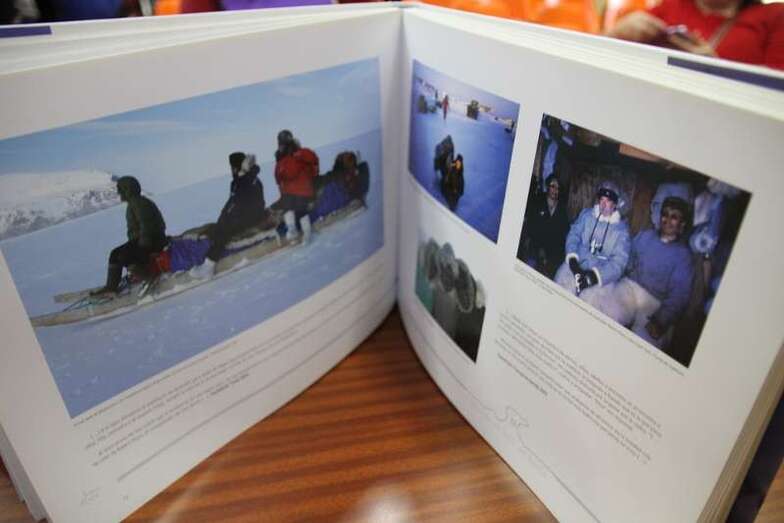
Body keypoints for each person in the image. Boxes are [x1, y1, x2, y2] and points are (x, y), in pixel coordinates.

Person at [601, 196, 695, 348]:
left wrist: (662, 320)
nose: (667, 220)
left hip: (656, 304)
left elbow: (680, 295)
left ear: (682, 224)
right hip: (631, 287)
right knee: (609, 312)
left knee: (644, 342)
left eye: (674, 217)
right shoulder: (646, 236)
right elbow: (627, 259)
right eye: (665, 214)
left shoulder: (683, 256)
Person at [605, 0, 784, 70]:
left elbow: (775, 93)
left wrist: (716, 68)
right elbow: (606, 58)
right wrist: (615, 34)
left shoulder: (775, 16)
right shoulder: (671, 6)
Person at [190, 152, 266, 279]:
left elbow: (241, 203)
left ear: (238, 167)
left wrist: (228, 219)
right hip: (245, 214)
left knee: (224, 230)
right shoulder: (240, 180)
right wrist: (224, 216)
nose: (232, 170)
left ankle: (208, 266)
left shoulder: (247, 180)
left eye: (233, 167)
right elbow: (232, 202)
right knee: (217, 226)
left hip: (252, 216)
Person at [554, 180, 631, 300]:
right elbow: (574, 235)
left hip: (600, 276)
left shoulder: (621, 231)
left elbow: (619, 263)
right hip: (577, 265)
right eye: (601, 200)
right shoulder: (587, 215)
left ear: (615, 204)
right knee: (562, 290)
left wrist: (593, 277)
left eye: (608, 201)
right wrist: (573, 262)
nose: (603, 205)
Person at [92, 176, 167, 295]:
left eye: (121, 190)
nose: (119, 193)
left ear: (128, 189)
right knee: (115, 254)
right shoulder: (134, 202)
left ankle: (149, 278)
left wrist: (143, 243)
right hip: (144, 239)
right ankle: (111, 287)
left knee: (125, 256)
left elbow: (146, 223)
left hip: (153, 239)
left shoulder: (139, 203)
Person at [272, 129, 319, 242]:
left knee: (297, 205)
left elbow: (312, 162)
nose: (281, 146)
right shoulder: (282, 160)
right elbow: (278, 178)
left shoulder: (298, 154)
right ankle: (293, 230)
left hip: (302, 189)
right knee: (288, 204)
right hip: (291, 192)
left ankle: (304, 231)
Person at [519, 175, 570, 279]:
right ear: (547, 187)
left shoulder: (561, 209)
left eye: (558, 188)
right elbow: (531, 227)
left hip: (552, 252)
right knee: (529, 269)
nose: (555, 190)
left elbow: (563, 233)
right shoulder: (538, 203)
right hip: (535, 246)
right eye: (553, 186)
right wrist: (539, 249)